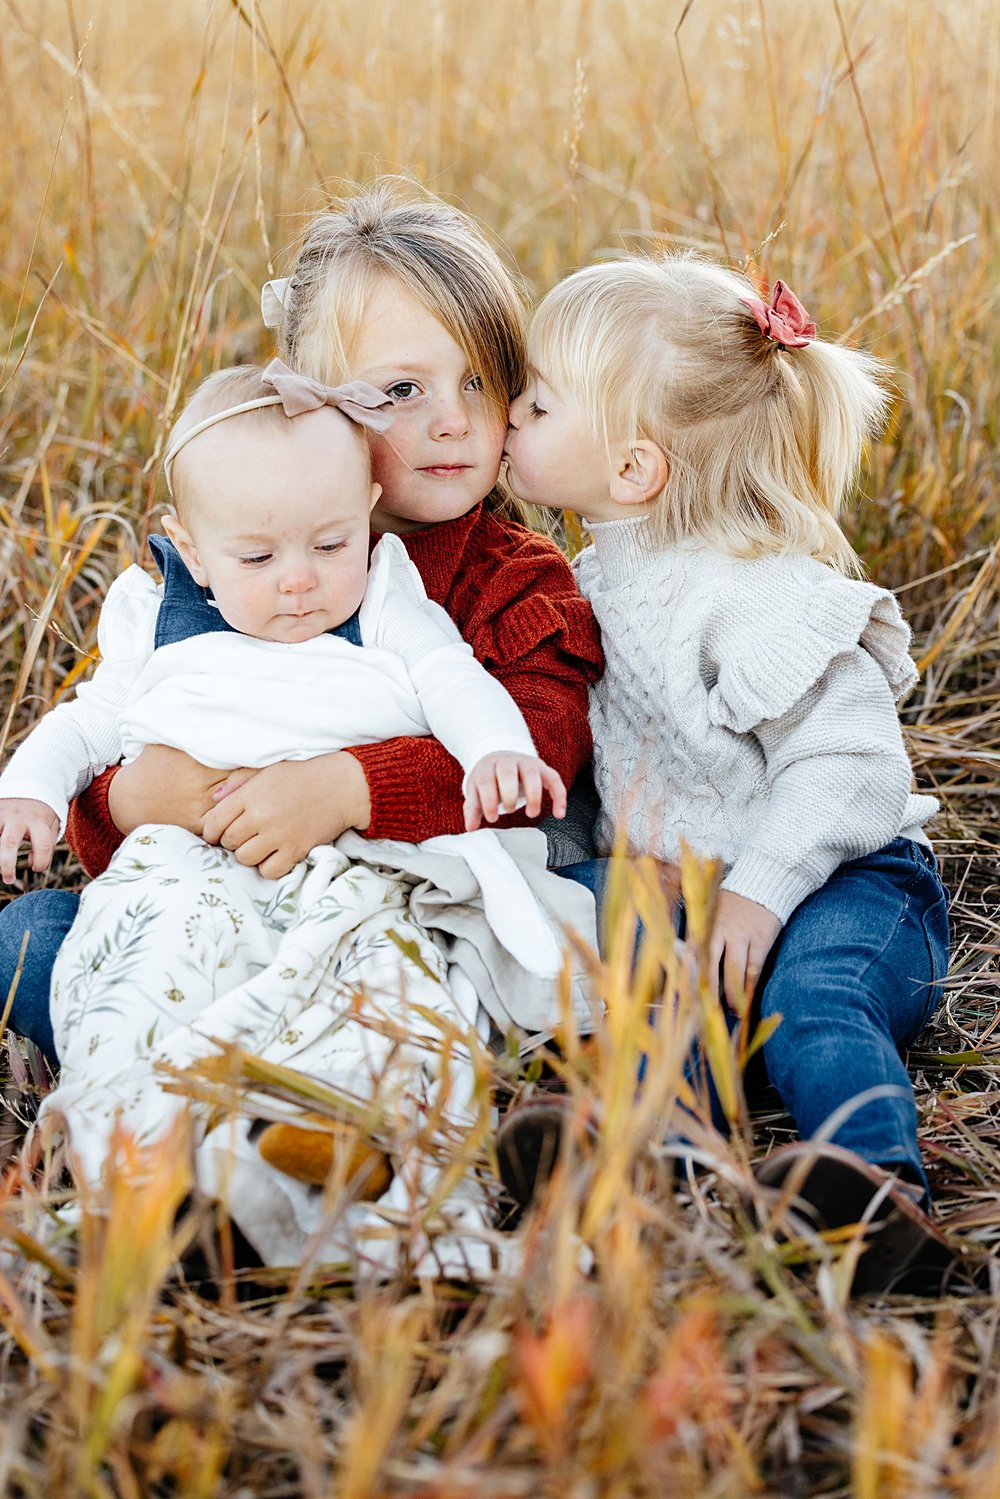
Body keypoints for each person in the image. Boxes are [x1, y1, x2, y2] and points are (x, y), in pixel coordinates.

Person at [0, 179, 603, 1069]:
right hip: (217, 903)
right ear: (311, 400)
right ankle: (234, 1071)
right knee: (31, 936)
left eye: (480, 379)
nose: (452, 418)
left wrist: (347, 786)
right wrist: (136, 797)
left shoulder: (516, 579)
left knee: (618, 911)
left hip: (423, 908)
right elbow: (119, 730)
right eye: (402, 388)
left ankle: (306, 1073)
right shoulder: (220, 558)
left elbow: (544, 748)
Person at [501, 254, 960, 1293]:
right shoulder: (582, 585)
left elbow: (850, 766)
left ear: (632, 470)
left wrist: (759, 890)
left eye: (536, 401)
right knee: (661, 1003)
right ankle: (640, 1166)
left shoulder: (751, 593)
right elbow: (587, 761)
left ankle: (870, 1191)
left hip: (847, 879)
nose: (509, 418)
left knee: (815, 1000)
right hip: (697, 899)